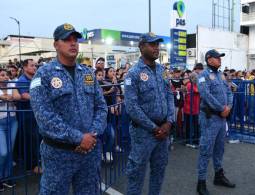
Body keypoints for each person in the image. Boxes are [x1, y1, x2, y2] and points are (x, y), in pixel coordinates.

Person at [30, 23, 108, 195]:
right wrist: (79, 138)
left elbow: (101, 107)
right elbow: (44, 117)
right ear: (56, 44)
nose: (73, 43)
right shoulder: (43, 75)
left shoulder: (87, 74)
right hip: (59, 155)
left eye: (75, 39)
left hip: (89, 153)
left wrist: (91, 135)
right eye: (67, 40)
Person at [124, 32, 175, 195]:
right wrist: (154, 128)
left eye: (157, 44)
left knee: (158, 173)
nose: (156, 47)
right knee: (136, 176)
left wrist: (169, 122)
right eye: (152, 44)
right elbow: (131, 107)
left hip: (163, 131)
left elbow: (169, 95)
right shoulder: (133, 73)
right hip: (143, 133)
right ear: (141, 47)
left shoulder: (162, 70)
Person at [196, 49, 235, 195]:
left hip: (221, 118)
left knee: (219, 149)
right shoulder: (203, 75)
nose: (220, 60)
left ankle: (219, 176)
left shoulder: (221, 75)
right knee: (206, 150)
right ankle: (201, 183)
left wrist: (229, 107)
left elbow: (229, 92)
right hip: (210, 118)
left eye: (220, 58)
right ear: (209, 59)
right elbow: (206, 95)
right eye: (217, 58)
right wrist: (221, 108)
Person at [0, 69, 21, 191]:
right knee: (2, 152)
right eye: (2, 75)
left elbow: (17, 96)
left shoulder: (12, 84)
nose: (5, 77)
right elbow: (12, 97)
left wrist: (6, 98)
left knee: (9, 151)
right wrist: (6, 97)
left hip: (13, 120)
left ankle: (7, 177)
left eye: (7, 75)